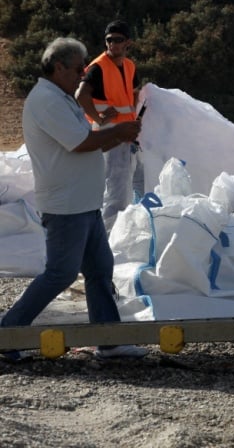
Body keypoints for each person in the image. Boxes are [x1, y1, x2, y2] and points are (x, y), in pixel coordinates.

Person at [1, 37, 148, 361]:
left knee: (99, 269)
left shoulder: (60, 97)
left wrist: (118, 136)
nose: (84, 73)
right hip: (67, 205)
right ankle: (7, 332)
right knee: (61, 273)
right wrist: (119, 132)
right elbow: (80, 142)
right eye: (79, 68)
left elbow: (88, 145)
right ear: (58, 67)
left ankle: (109, 340)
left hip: (83, 202)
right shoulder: (48, 101)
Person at [75, 20, 141, 233]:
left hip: (126, 134)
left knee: (123, 188)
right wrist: (99, 118)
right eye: (109, 40)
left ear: (127, 42)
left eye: (118, 40)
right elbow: (80, 95)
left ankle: (109, 235)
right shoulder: (98, 67)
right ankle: (109, 239)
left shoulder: (130, 66)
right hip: (108, 135)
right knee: (116, 192)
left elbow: (134, 93)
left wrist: (136, 117)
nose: (112, 44)